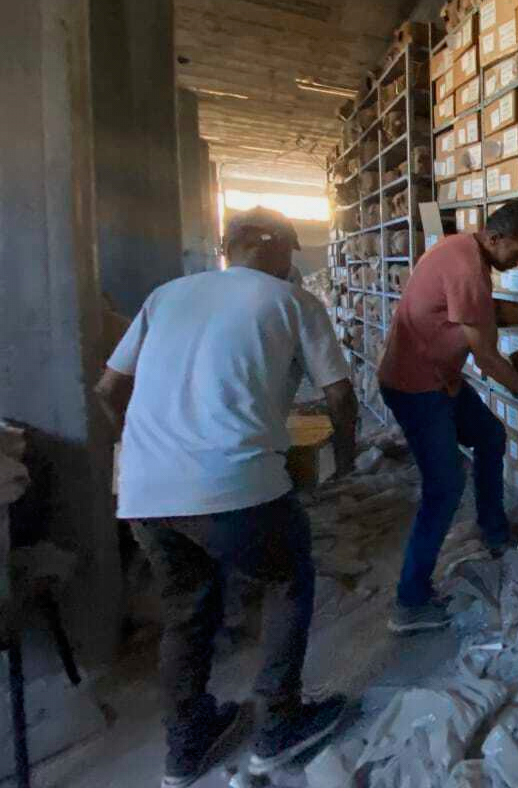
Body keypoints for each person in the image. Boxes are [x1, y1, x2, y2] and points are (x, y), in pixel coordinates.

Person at [95, 207, 358, 788]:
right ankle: (278, 725)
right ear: (275, 246)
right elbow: (339, 394)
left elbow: (110, 386)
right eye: (292, 251)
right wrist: (350, 452)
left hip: (144, 493)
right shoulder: (291, 301)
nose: (293, 265)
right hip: (233, 484)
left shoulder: (165, 295)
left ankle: (184, 750)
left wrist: (140, 446)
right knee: (288, 580)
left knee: (186, 612)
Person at [378, 200, 518, 635]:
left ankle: (494, 532)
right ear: (493, 237)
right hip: (417, 387)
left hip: (440, 380)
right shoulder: (467, 269)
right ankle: (410, 602)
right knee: (444, 487)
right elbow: (490, 360)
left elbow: (468, 322)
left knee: (490, 436)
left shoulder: (458, 249)